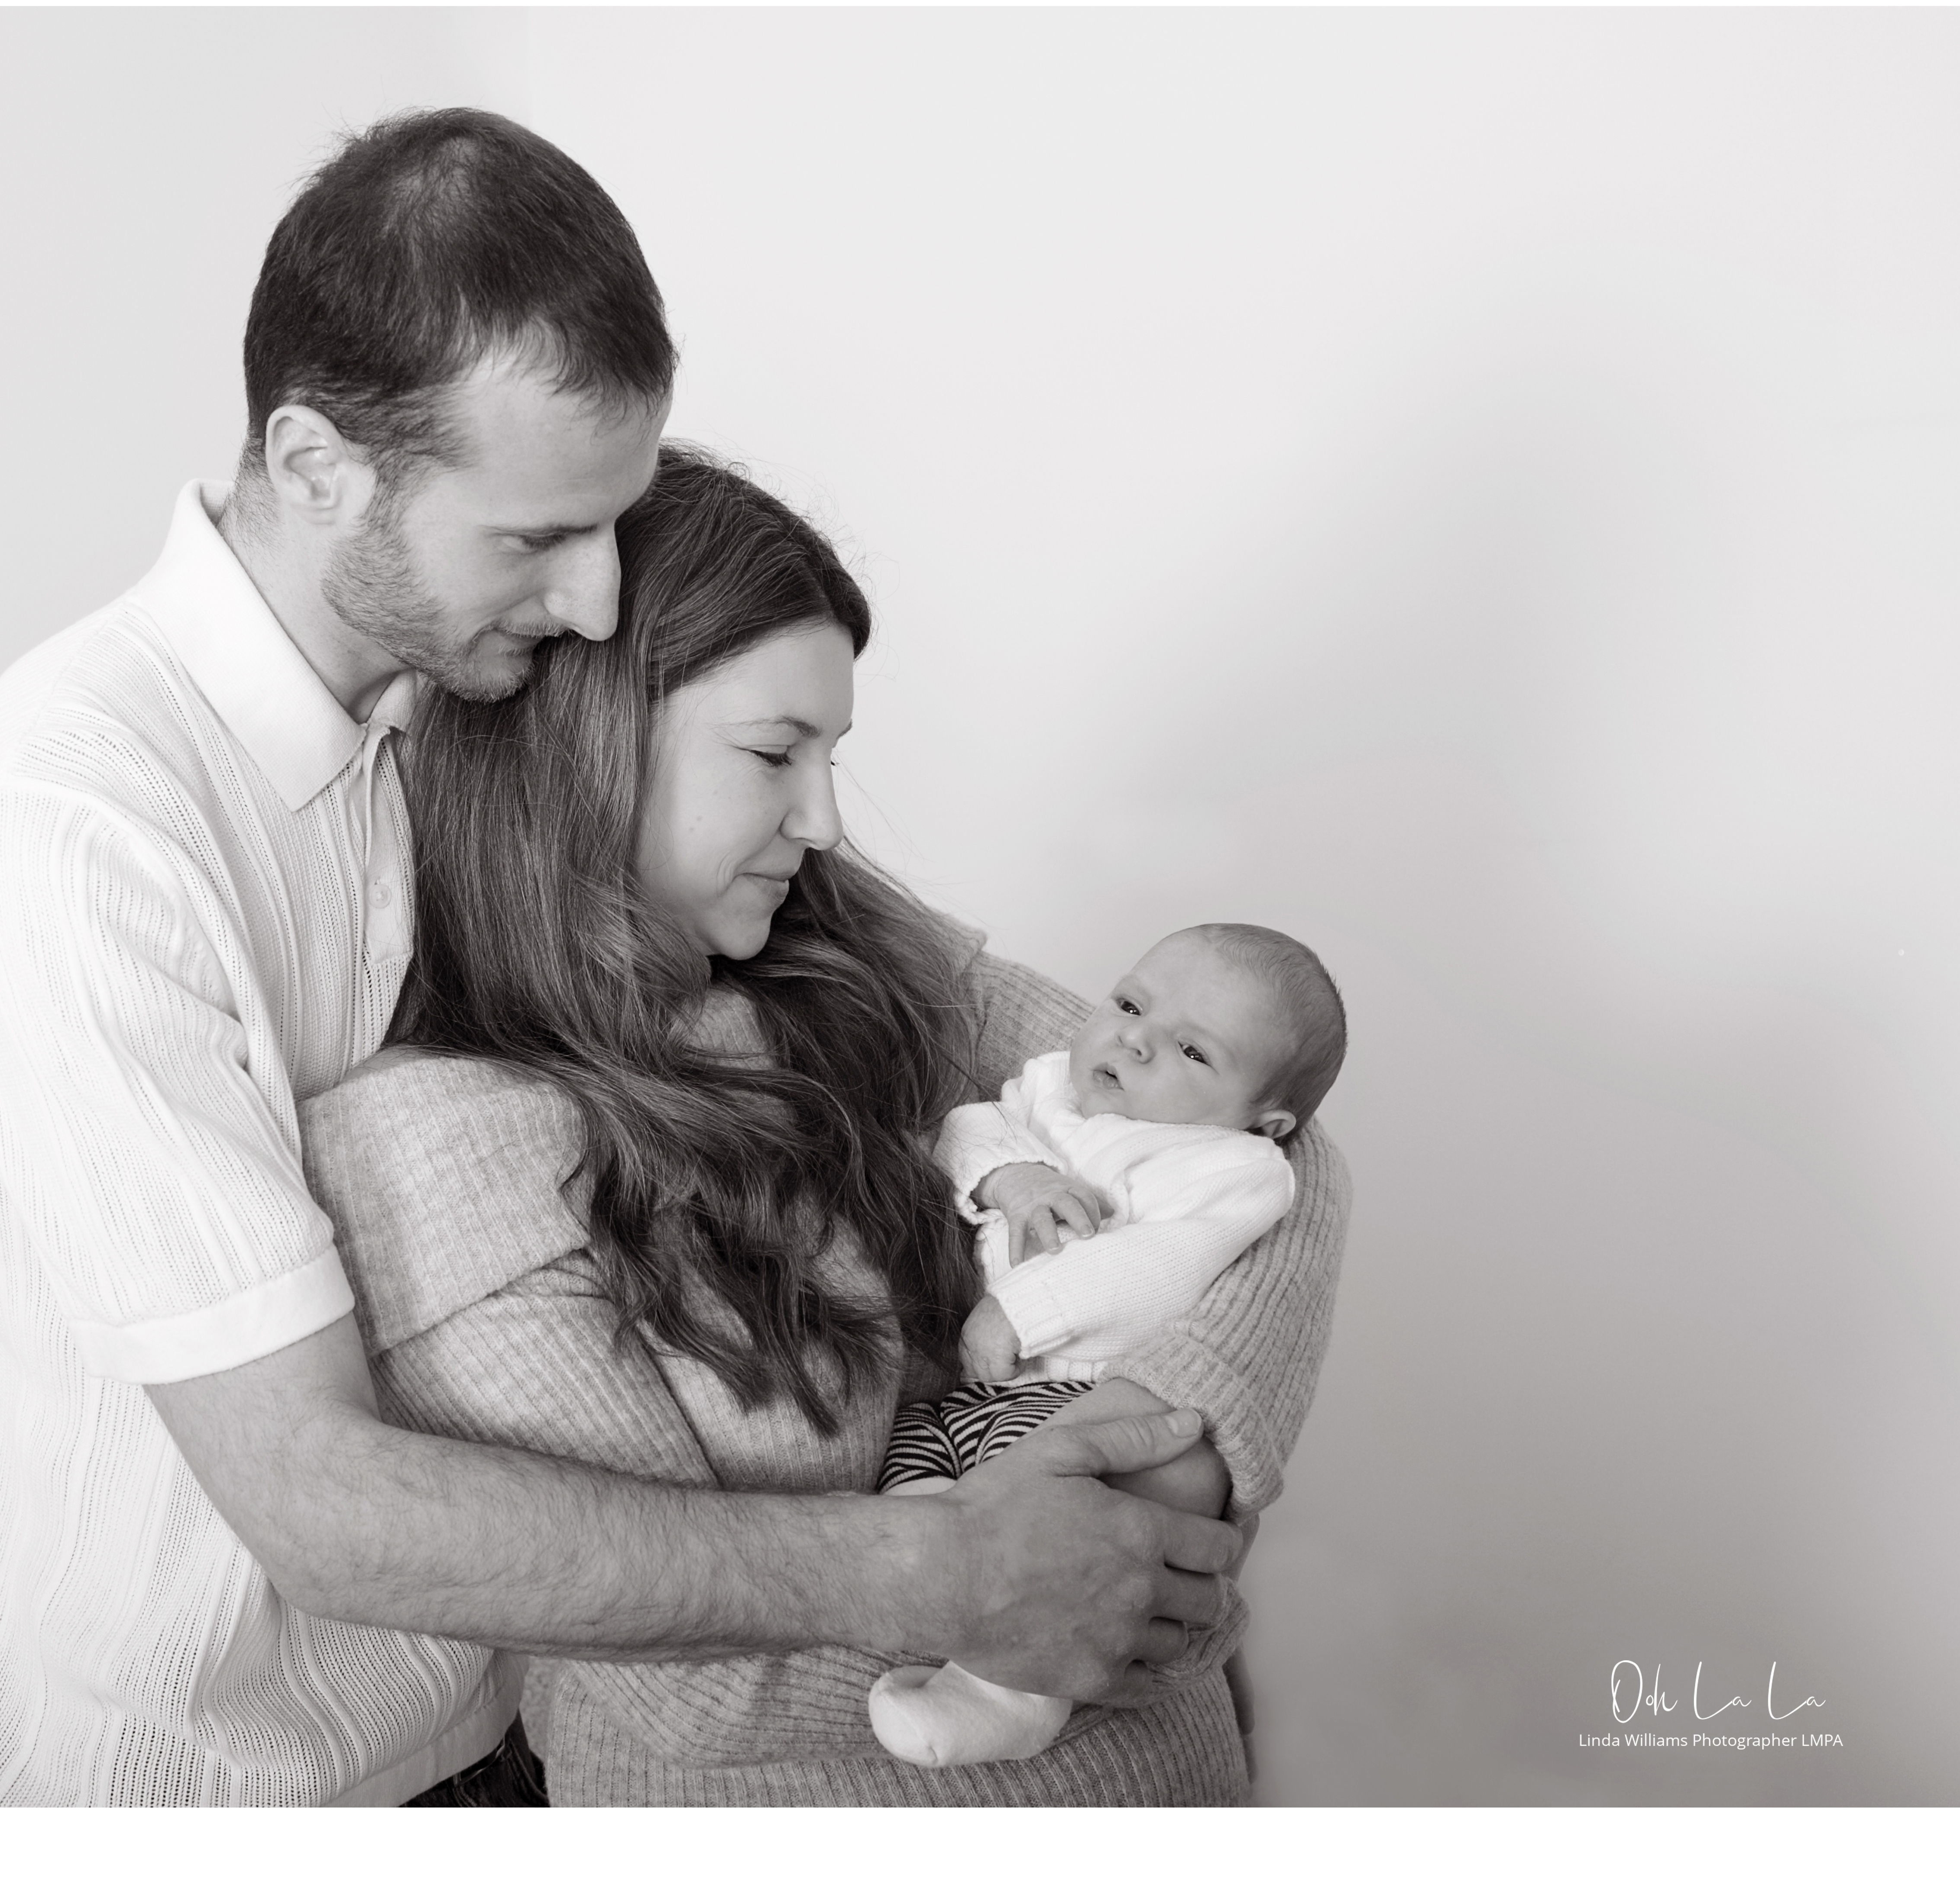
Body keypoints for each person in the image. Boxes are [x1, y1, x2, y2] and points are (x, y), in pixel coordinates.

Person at [0, 108, 1257, 1807]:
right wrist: (954, 1570)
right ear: (317, 468)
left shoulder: (492, 695)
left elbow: (1232, 1098)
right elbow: (312, 1496)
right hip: (221, 1774)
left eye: (613, 521)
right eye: (540, 536)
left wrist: (1193, 1391)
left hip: (518, 1709)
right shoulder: (80, 832)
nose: (605, 599)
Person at [299, 447, 1353, 1803]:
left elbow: (1273, 1143)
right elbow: (674, 1684)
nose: (827, 818)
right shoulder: (440, 1152)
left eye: (833, 753)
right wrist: (999, 1583)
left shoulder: (833, 932)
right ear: (584, 755)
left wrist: (1169, 1484)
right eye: (773, 754)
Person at [871, 922, 1351, 1767]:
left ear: (1265, 1120)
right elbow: (967, 1127)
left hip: (1072, 1396)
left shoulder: (1232, 1170)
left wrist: (1022, 1311)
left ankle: (1007, 1693)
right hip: (957, 1387)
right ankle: (914, 1577)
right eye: (1130, 1001)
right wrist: (1014, 1176)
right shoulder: (1051, 1086)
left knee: (1060, 1530)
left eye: (1192, 1052)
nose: (1134, 1036)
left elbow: (1155, 1268)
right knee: (912, 1468)